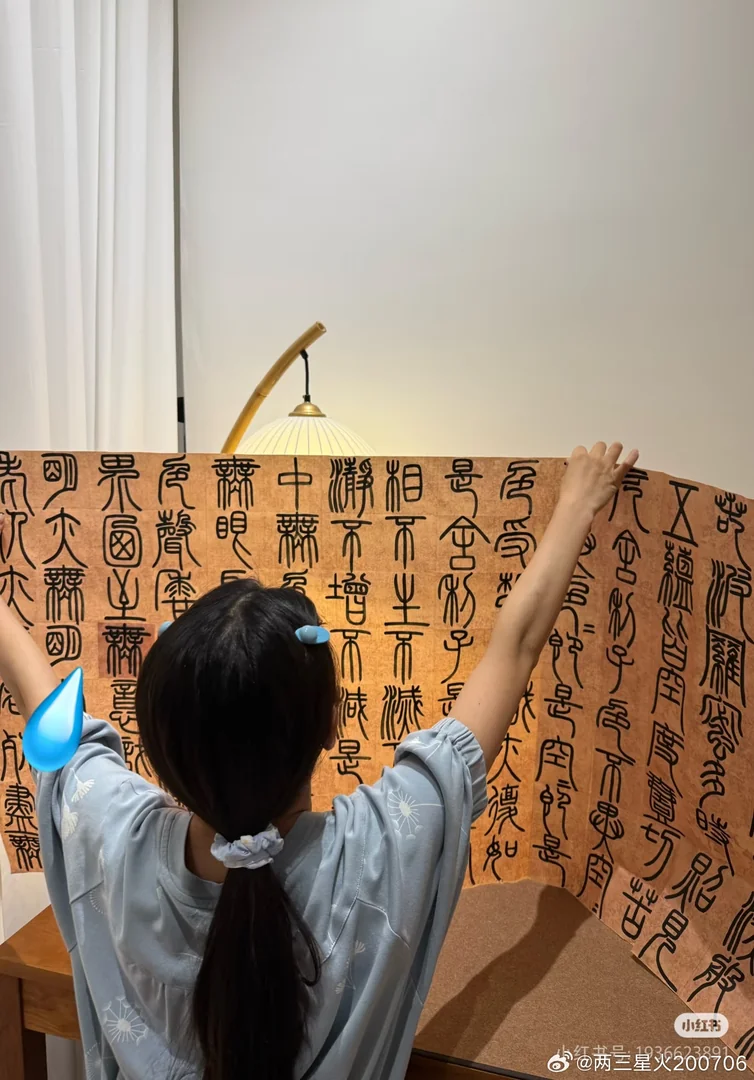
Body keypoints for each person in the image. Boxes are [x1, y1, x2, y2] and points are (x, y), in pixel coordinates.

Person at [0, 441, 637, 1080]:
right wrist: (578, 504)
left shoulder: (110, 833)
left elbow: (44, 705)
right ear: (333, 722)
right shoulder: (383, 849)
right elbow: (516, 648)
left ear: (158, 744)